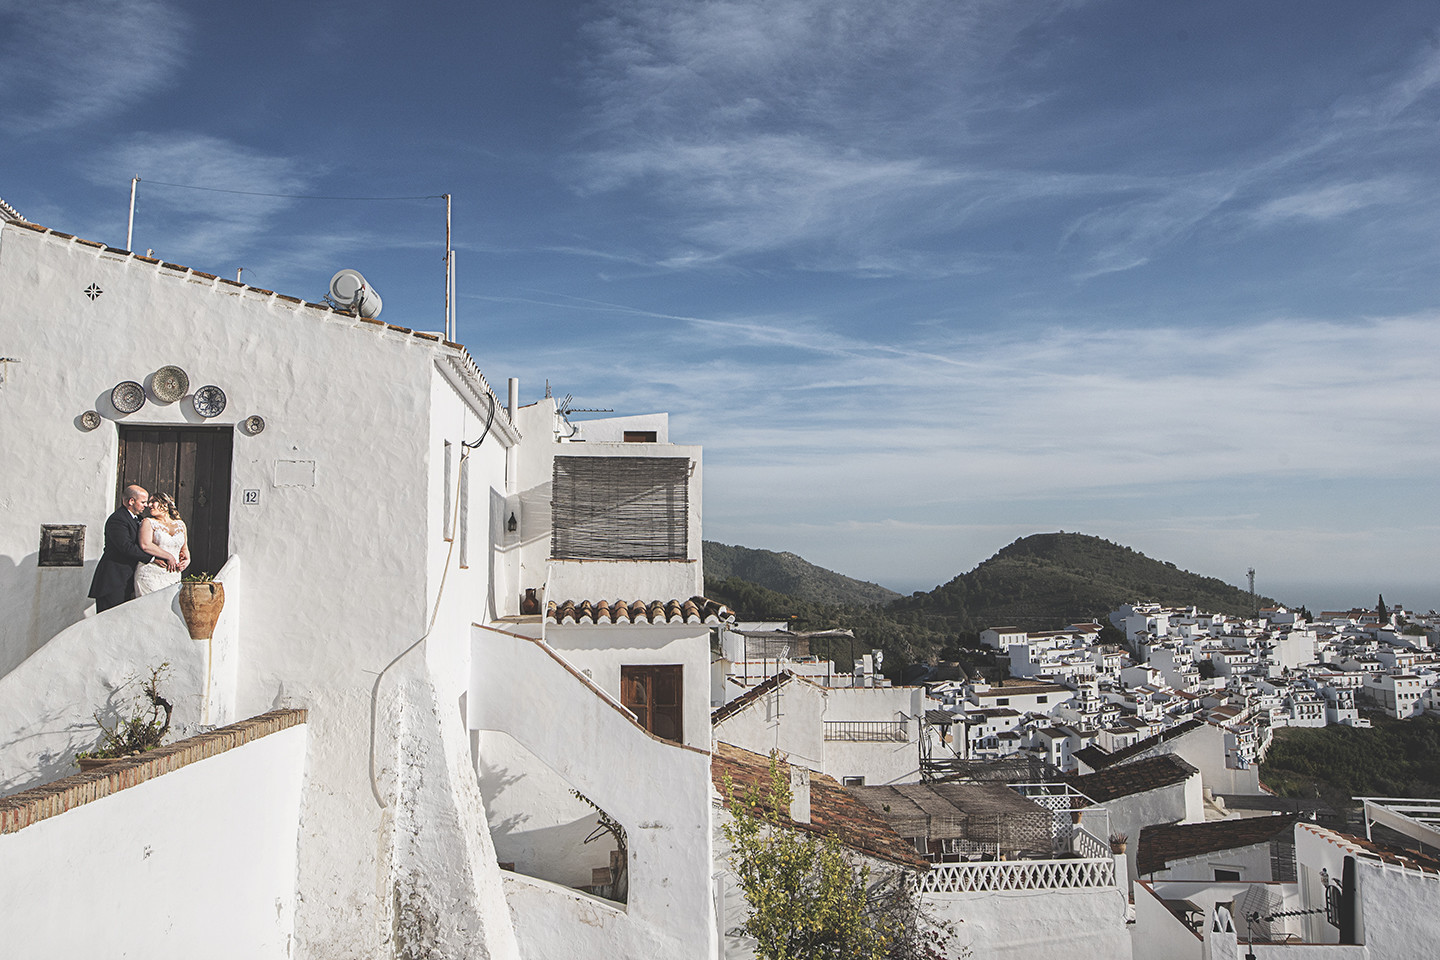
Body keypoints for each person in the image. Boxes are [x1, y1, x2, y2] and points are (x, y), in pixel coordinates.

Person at [87, 484, 172, 612]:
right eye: (143, 502)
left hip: (128, 580)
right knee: (111, 620)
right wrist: (152, 558)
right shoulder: (117, 519)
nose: (146, 505)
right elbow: (126, 547)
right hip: (113, 580)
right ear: (131, 501)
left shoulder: (139, 519)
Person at [134, 492, 189, 596]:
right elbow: (145, 545)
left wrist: (187, 560)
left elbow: (184, 548)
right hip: (151, 573)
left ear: (165, 504)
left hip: (173, 575)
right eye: (148, 502)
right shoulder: (148, 522)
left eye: (153, 502)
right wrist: (168, 556)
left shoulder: (180, 524)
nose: (149, 505)